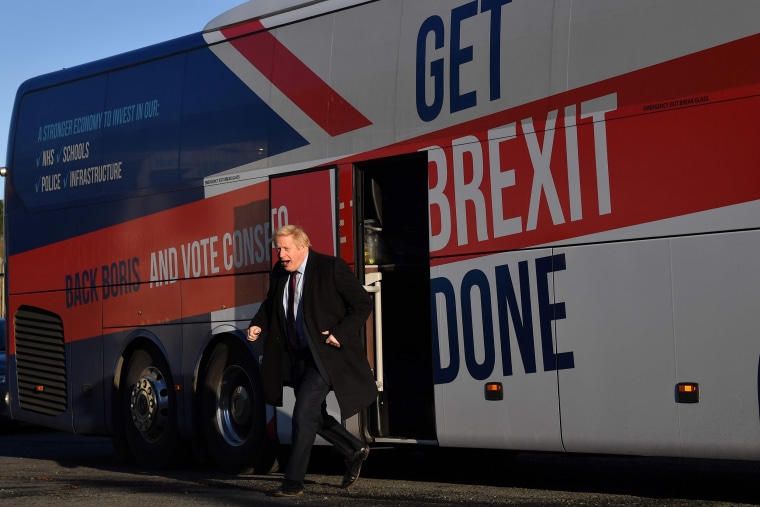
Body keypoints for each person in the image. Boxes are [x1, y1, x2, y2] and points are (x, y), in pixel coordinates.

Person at [247, 224, 377, 497]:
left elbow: (362, 303)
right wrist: (258, 324)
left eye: (285, 249)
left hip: (325, 356)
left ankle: (293, 482)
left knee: (303, 413)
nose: (280, 255)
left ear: (302, 246)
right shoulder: (281, 272)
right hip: (295, 356)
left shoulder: (330, 268)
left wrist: (340, 334)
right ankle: (353, 449)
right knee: (314, 415)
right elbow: (271, 303)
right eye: (278, 249)